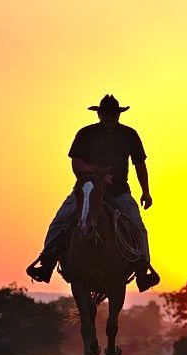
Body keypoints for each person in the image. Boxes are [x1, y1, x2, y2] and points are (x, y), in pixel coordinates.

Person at [26, 94, 160, 292]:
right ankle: (46, 263)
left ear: (119, 115)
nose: (110, 117)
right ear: (99, 113)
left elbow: (139, 164)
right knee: (60, 221)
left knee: (138, 226)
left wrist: (146, 192)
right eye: (107, 113)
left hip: (119, 192)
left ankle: (142, 271)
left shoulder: (130, 135)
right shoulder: (85, 134)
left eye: (114, 114)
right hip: (87, 190)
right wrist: (96, 172)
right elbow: (76, 162)